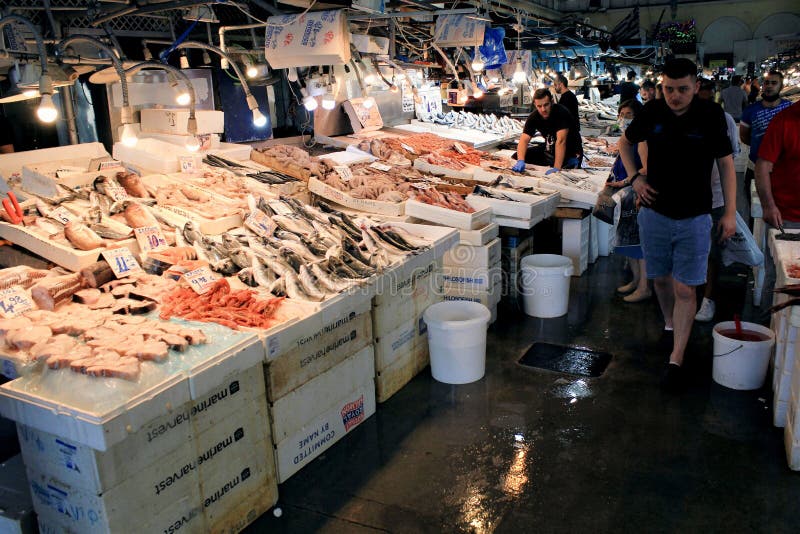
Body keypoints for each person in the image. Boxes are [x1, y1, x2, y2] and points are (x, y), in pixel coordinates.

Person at [618, 58, 737, 391]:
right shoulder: (652, 111)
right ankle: (669, 325)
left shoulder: (711, 115)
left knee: (686, 287)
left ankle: (677, 356)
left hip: (695, 216)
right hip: (654, 211)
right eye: (668, 89)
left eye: (682, 89)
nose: (674, 96)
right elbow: (624, 143)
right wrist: (634, 178)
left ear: (696, 86)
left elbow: (727, 166)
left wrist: (729, 212)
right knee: (659, 282)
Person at [694, 78, 741, 322]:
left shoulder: (726, 121)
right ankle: (689, 297)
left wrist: (730, 210)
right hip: (687, 198)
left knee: (712, 252)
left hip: (715, 197)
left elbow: (729, 161)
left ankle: (708, 300)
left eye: (707, 97)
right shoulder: (682, 118)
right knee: (689, 250)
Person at [755, 100, 800, 314]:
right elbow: (762, 166)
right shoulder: (784, 120)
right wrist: (768, 206)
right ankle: (766, 325)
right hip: (786, 216)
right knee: (778, 278)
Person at [606, 99, 651, 303]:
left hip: (637, 192)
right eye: (622, 115)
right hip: (627, 192)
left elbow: (647, 168)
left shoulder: (642, 139)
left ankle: (644, 287)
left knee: (637, 242)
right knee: (627, 240)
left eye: (629, 115)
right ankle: (636, 281)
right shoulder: (628, 138)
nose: (624, 119)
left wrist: (626, 180)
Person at [740, 71, 791, 216]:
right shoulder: (751, 110)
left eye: (774, 83)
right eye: (766, 83)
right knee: (754, 210)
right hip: (755, 166)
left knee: (781, 209)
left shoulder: (789, 109)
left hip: (782, 169)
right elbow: (744, 136)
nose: (769, 86)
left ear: (781, 86)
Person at [512, 89, 583, 174]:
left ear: (552, 102)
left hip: (571, 152)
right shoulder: (534, 117)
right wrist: (521, 160)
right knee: (517, 155)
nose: (543, 109)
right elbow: (524, 140)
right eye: (539, 106)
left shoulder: (561, 112)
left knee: (564, 172)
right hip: (550, 148)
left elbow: (561, 141)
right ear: (535, 105)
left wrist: (556, 168)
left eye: (546, 105)